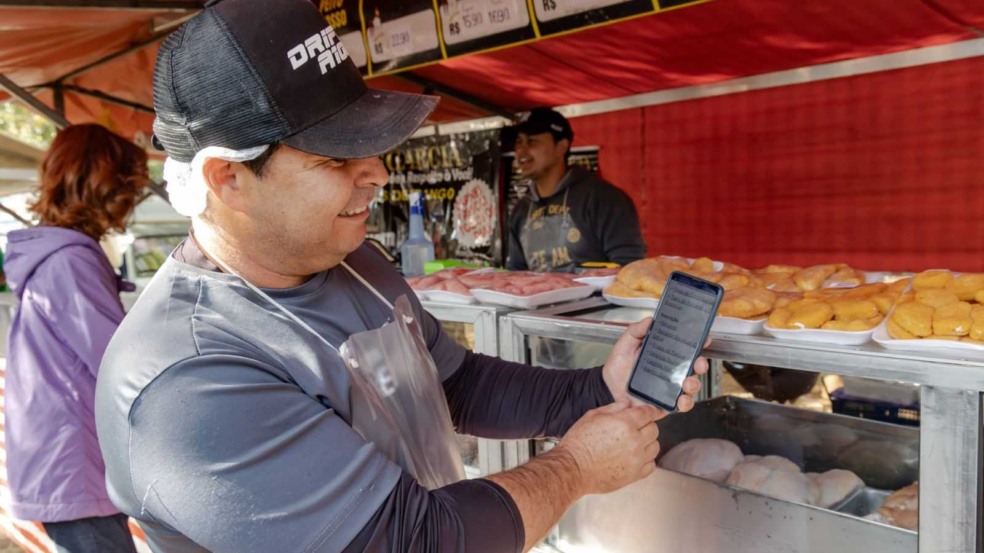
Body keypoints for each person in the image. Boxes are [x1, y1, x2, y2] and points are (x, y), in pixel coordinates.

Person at [94, 1, 709, 552]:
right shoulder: (189, 379)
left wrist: (598, 389)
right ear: (227, 179)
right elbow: (414, 541)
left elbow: (454, 384)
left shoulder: (352, 263)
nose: (376, 173)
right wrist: (573, 469)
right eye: (335, 157)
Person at [5, 124, 149, 553]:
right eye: (131, 186)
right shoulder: (70, 261)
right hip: (74, 466)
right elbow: (120, 365)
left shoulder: (56, 254)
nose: (135, 199)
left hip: (64, 463)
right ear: (106, 185)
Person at [505, 107, 646, 272]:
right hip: (537, 297)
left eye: (532, 141)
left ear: (562, 146)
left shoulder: (604, 199)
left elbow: (629, 268)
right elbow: (515, 275)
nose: (521, 150)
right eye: (518, 142)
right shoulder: (521, 210)